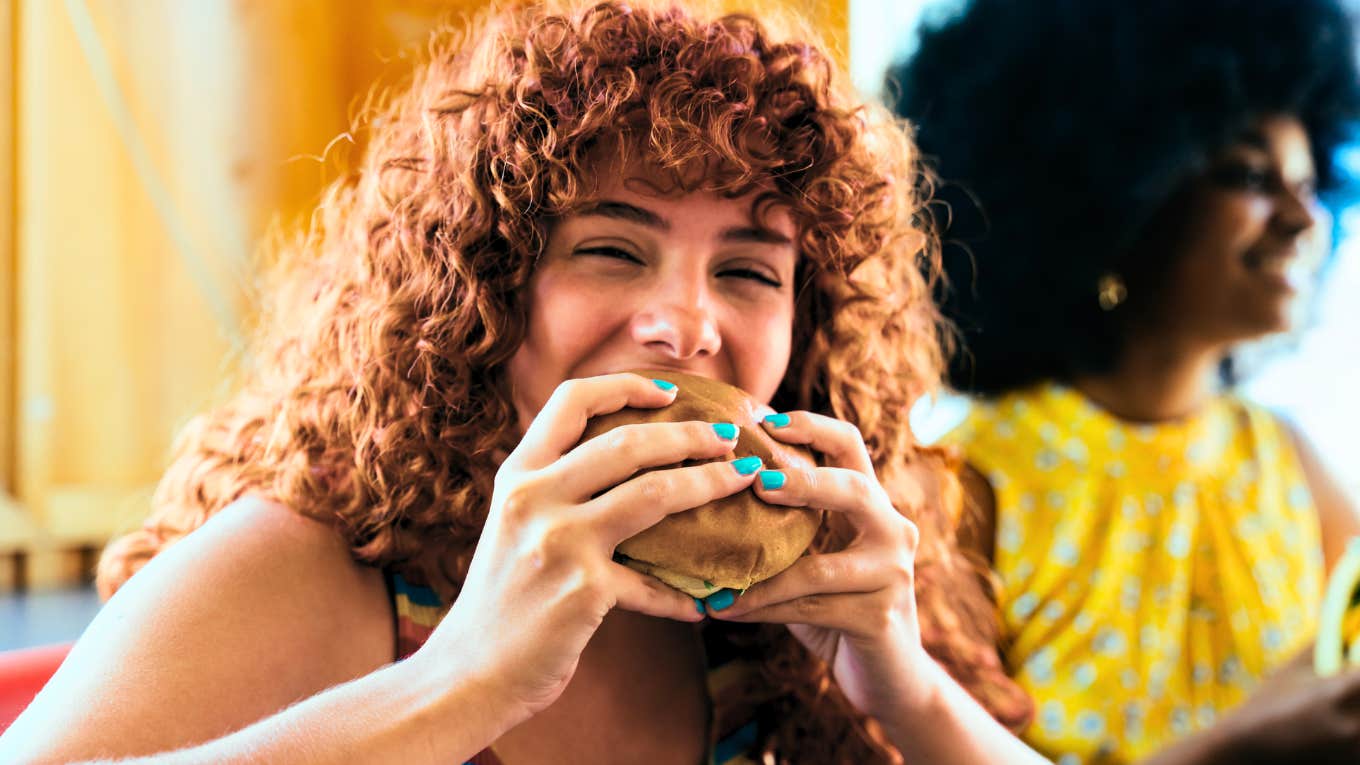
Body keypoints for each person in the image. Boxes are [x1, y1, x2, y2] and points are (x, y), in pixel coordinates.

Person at [0, 2, 1049, 762]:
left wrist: (906, 695)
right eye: (610, 250)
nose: (684, 324)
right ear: (487, 292)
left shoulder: (779, 618)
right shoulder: (322, 565)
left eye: (745, 272)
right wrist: (464, 682)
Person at [889, 0, 1360, 762]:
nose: (1303, 220)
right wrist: (1239, 743)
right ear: (1116, 195)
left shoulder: (1292, 464)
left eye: (1309, 184)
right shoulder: (966, 490)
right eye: (1249, 175)